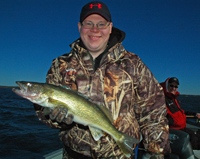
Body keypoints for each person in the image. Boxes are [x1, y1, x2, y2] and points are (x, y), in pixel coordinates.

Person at [34, 1, 171, 158]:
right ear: (79, 27)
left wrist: (157, 151)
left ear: (110, 27)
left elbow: (153, 111)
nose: (95, 29)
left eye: (101, 24)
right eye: (89, 23)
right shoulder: (60, 65)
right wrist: (55, 118)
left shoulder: (133, 64)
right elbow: (44, 114)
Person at [160, 77, 200, 150]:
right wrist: (171, 122)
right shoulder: (162, 99)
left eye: (176, 86)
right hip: (173, 130)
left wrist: (195, 114)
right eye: (171, 86)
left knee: (197, 136)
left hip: (182, 128)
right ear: (167, 86)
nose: (174, 88)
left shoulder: (174, 99)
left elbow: (182, 112)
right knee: (193, 138)